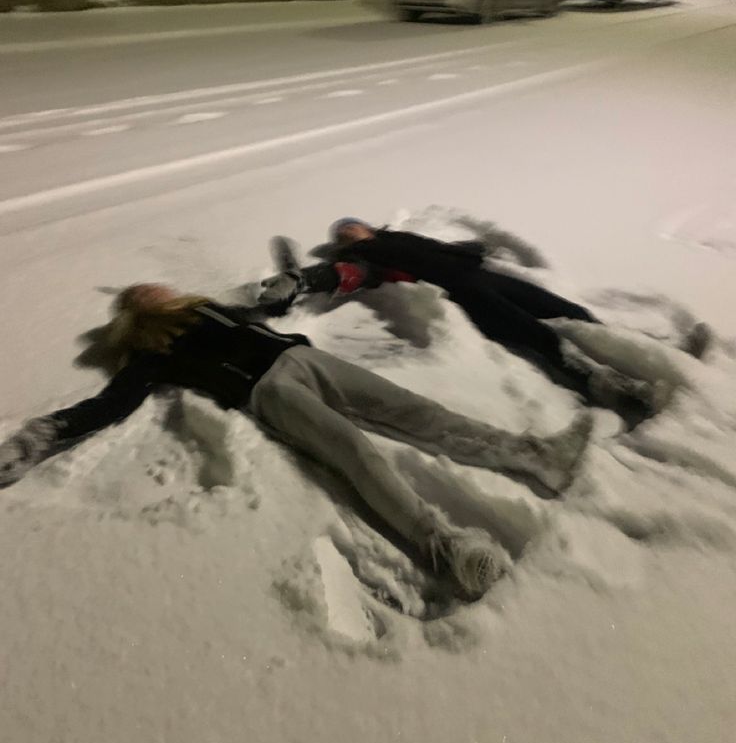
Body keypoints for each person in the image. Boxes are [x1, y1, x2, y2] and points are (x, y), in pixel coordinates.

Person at [0, 284, 593, 599]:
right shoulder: (150, 352)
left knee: (421, 414)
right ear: (135, 315)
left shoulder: (211, 309)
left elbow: (267, 304)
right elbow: (108, 404)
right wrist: (38, 437)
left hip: (304, 359)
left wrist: (289, 284)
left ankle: (536, 456)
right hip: (268, 395)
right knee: (357, 454)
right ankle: (450, 549)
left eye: (150, 286)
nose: (154, 288)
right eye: (140, 294)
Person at [259, 221, 710, 426]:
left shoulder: (400, 236)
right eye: (343, 235)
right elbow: (346, 276)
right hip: (465, 294)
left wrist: (474, 245)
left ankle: (662, 350)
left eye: (351, 228)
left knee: (574, 313)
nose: (348, 234)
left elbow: (450, 246)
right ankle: (608, 385)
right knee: (537, 336)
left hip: (482, 275)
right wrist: (302, 279)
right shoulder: (366, 257)